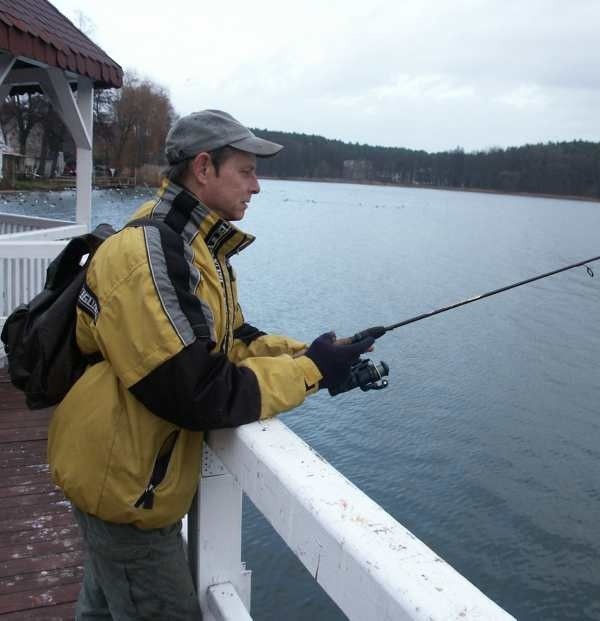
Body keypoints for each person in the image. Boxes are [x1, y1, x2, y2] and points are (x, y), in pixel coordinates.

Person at [48, 109, 374, 620]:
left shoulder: (196, 246)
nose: (257, 186)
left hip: (119, 472)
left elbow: (230, 340)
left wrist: (315, 355)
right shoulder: (152, 254)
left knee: (103, 609)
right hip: (126, 488)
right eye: (246, 171)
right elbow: (199, 390)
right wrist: (311, 371)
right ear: (204, 168)